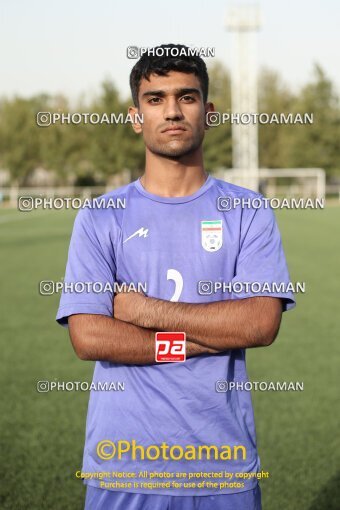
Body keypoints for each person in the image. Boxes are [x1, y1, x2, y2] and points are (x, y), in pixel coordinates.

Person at [57, 43, 295, 510]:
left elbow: (260, 324)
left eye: (186, 97)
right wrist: (195, 339)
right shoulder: (100, 217)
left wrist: (146, 311)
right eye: (155, 99)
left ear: (208, 113)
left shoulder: (247, 211)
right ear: (134, 115)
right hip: (122, 463)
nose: (172, 111)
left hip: (220, 466)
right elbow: (89, 337)